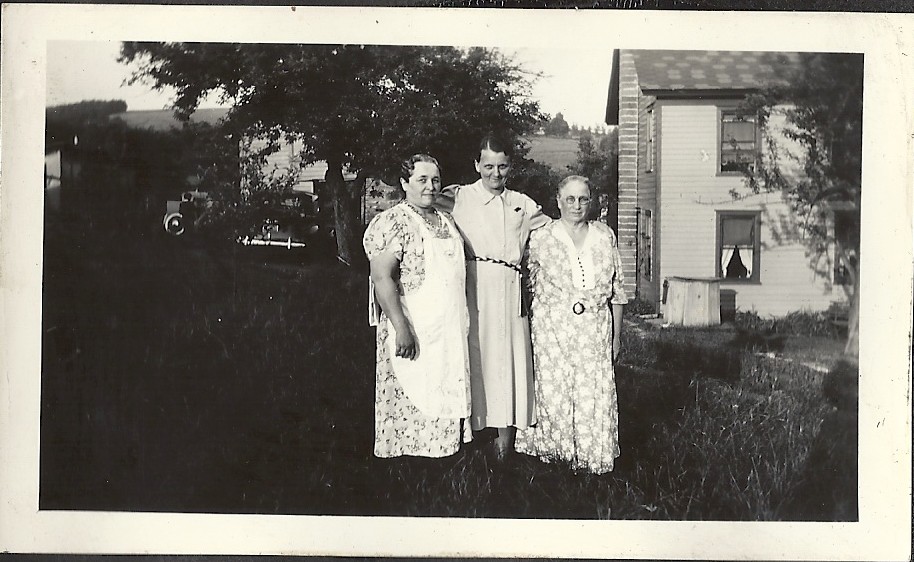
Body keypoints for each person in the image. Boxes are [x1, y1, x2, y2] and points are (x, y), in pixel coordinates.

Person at [439, 133, 550, 459]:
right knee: (473, 355)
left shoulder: (523, 203)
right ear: (477, 165)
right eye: (488, 166)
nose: (495, 174)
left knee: (508, 360)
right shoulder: (459, 197)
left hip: (509, 289)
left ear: (510, 167)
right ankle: (467, 435)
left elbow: (552, 234)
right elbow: (426, 214)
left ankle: (505, 438)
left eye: (502, 167)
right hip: (472, 286)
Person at [515, 175, 628, 474]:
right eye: (570, 199)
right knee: (555, 391)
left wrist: (616, 338)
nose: (577, 206)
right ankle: (556, 458)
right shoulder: (542, 237)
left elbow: (617, 291)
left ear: (591, 202)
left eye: (583, 199)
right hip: (552, 331)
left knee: (593, 392)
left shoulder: (605, 236)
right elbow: (527, 285)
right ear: (558, 201)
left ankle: (592, 460)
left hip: (595, 328)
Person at [362, 154, 472, 458]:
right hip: (413, 325)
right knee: (415, 391)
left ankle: (444, 456)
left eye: (435, 179)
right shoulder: (394, 221)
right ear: (404, 183)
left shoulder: (446, 221)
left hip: (446, 328)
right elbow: (382, 278)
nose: (430, 186)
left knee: (443, 388)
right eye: (421, 179)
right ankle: (411, 465)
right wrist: (401, 329)